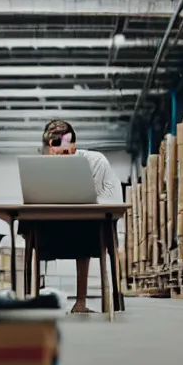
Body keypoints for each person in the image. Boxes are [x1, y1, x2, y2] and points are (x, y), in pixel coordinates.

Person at [41, 120, 124, 313]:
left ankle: (81, 302)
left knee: (84, 227)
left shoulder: (96, 161)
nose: (60, 157)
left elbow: (106, 200)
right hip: (62, 217)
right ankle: (30, 298)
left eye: (64, 152)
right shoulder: (45, 164)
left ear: (74, 147)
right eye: (54, 153)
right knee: (28, 224)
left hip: (95, 220)